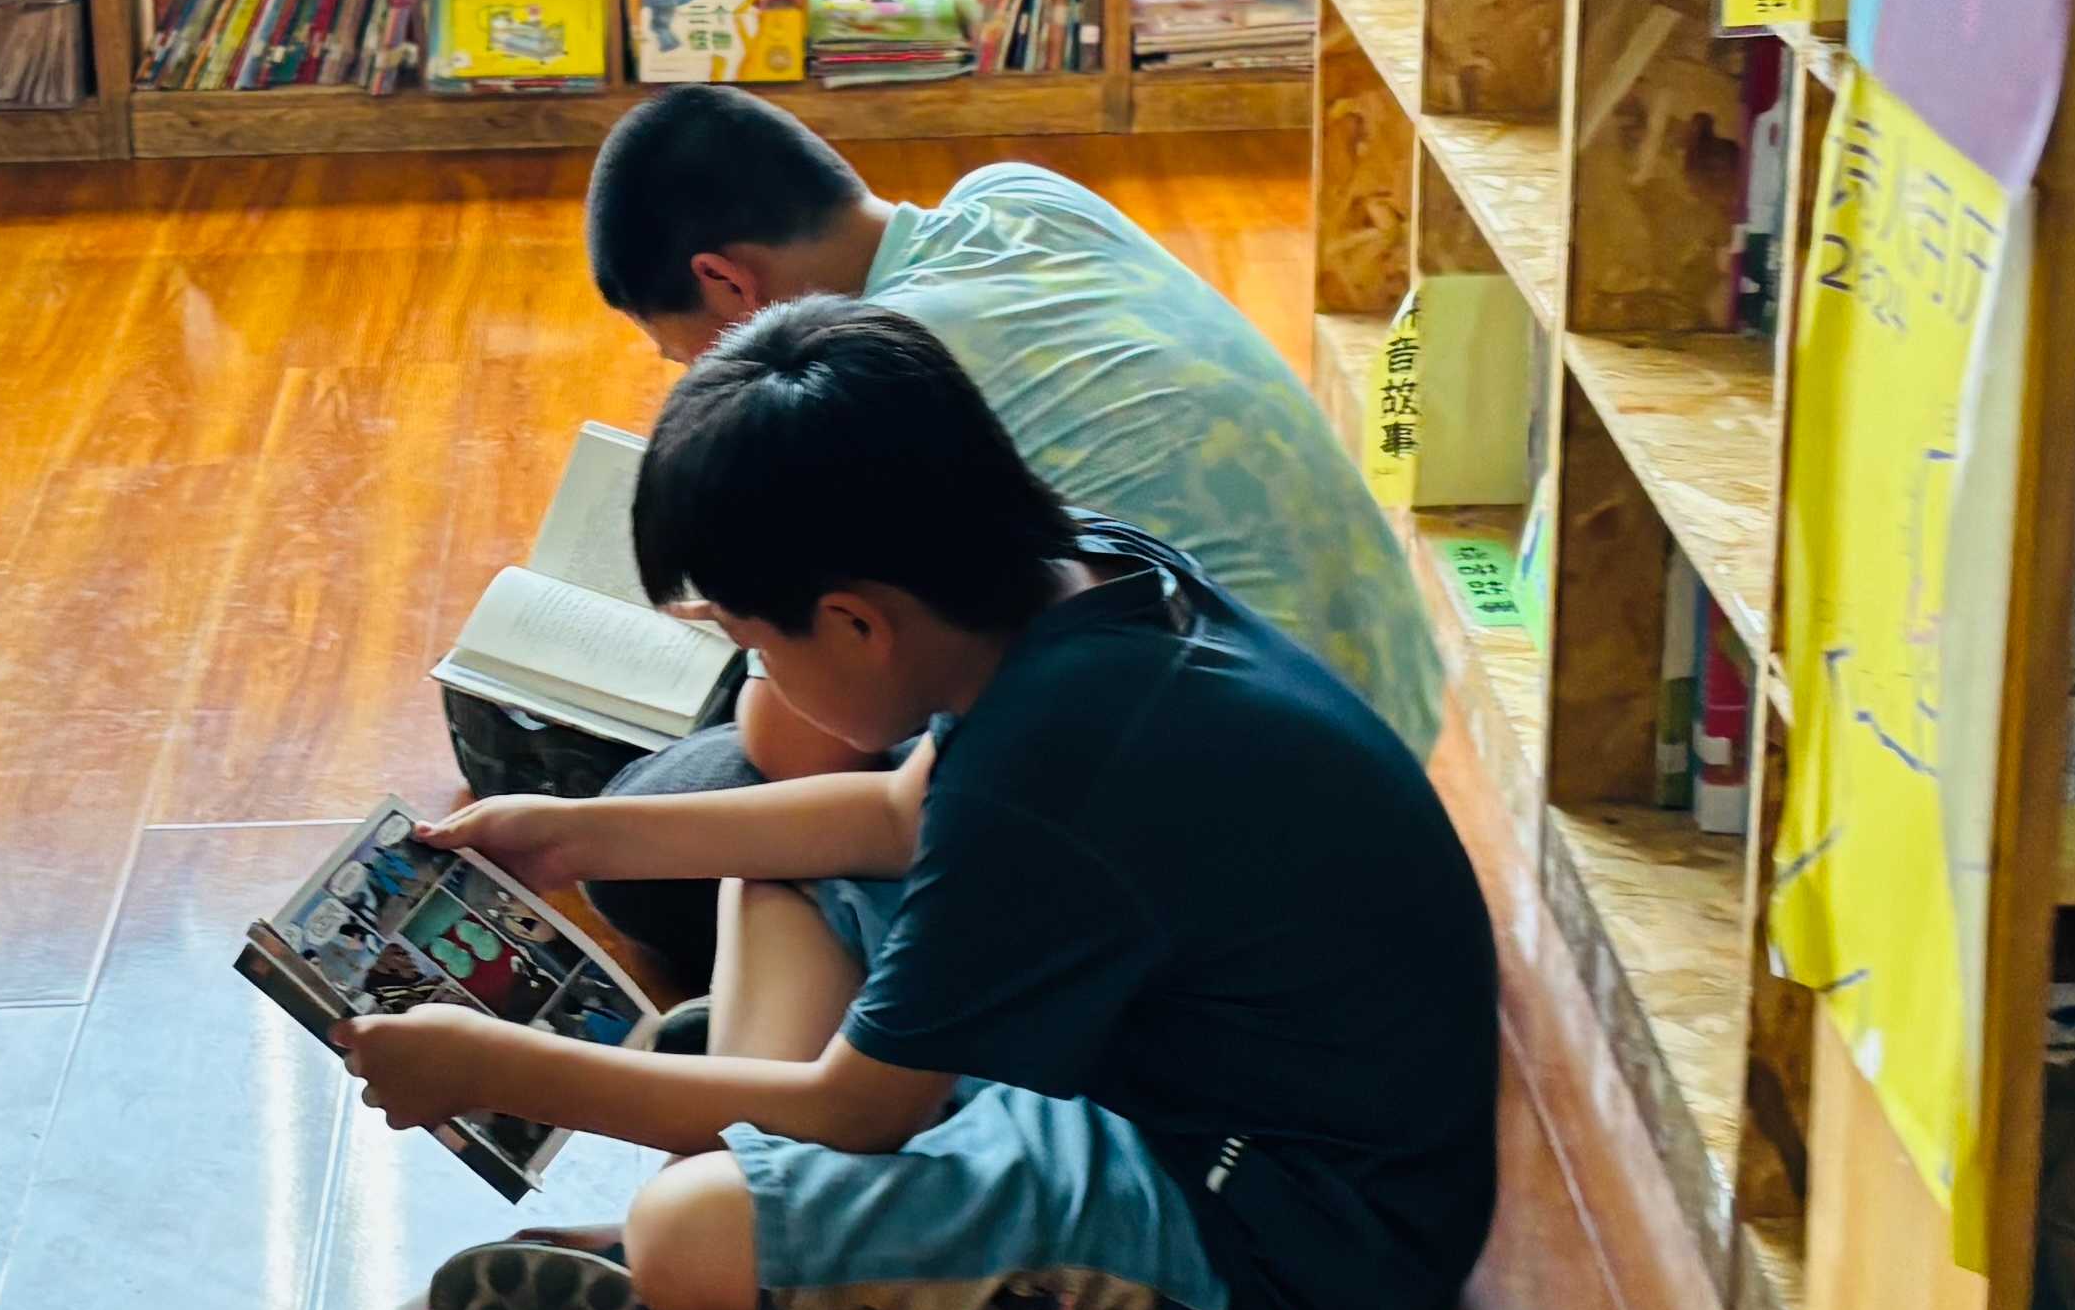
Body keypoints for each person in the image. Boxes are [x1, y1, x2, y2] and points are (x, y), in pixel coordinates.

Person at [370, 297, 1499, 1310]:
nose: (759, 677)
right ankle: (778, 1189)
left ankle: (766, 1307)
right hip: (1184, 1080)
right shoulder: (1075, 570)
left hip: (1287, 1259)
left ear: (857, 625)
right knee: (779, 859)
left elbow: (857, 1109)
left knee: (686, 1234)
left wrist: (498, 1069)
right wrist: (575, 836)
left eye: (755, 647)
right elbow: (900, 816)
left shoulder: (1053, 769)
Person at [525, 91, 1446, 984]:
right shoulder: (1019, 194)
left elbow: (801, 755)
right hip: (1379, 726)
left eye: (687, 354)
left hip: (1230, 821)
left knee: (658, 832)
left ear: (729, 284)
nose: (698, 381)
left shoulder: (866, 377)